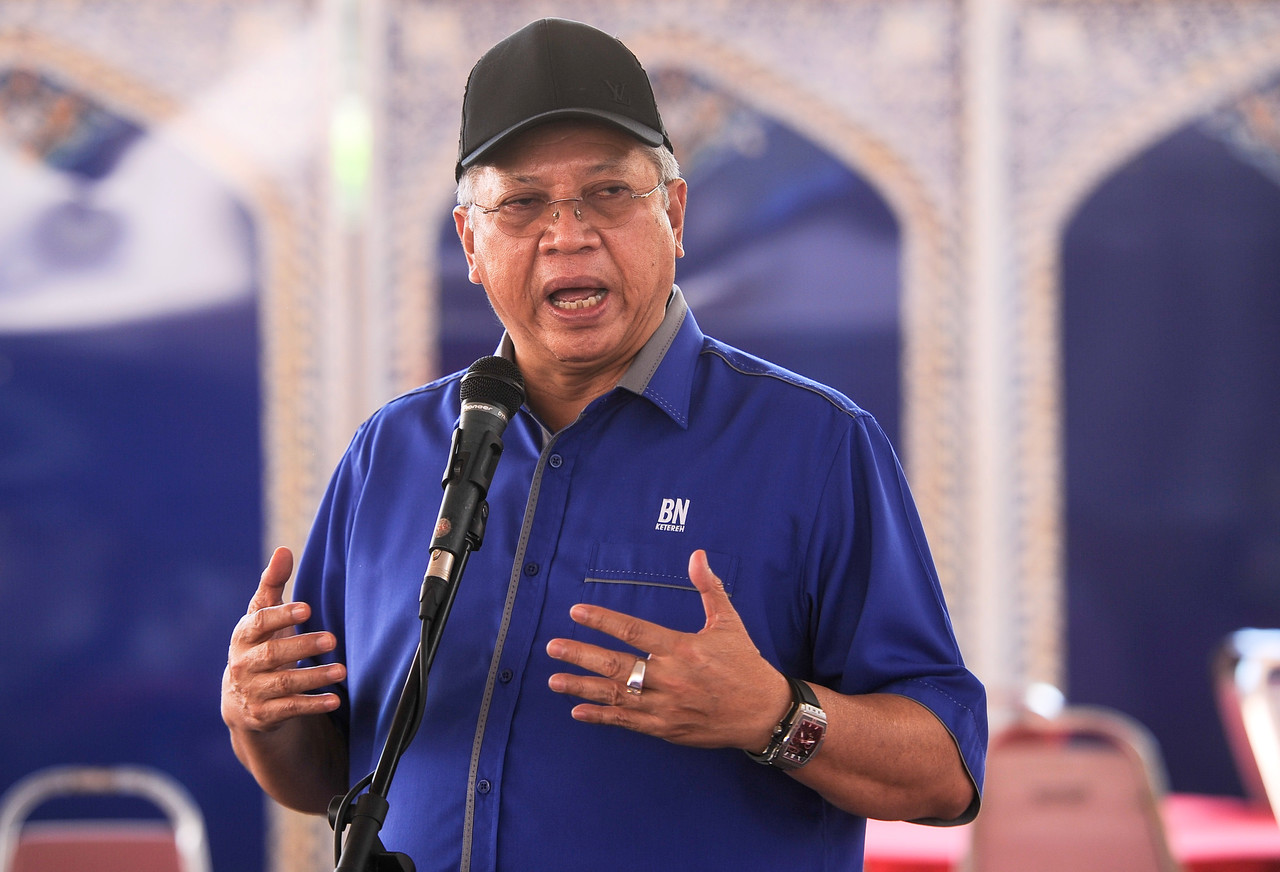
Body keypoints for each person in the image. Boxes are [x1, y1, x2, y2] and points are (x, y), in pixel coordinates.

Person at [222, 17, 986, 871]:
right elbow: (327, 776)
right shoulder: (389, 453)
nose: (568, 233)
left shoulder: (815, 448)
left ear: (675, 214)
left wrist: (774, 715)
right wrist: (257, 717)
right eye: (521, 204)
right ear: (471, 241)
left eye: (610, 192)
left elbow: (946, 772)